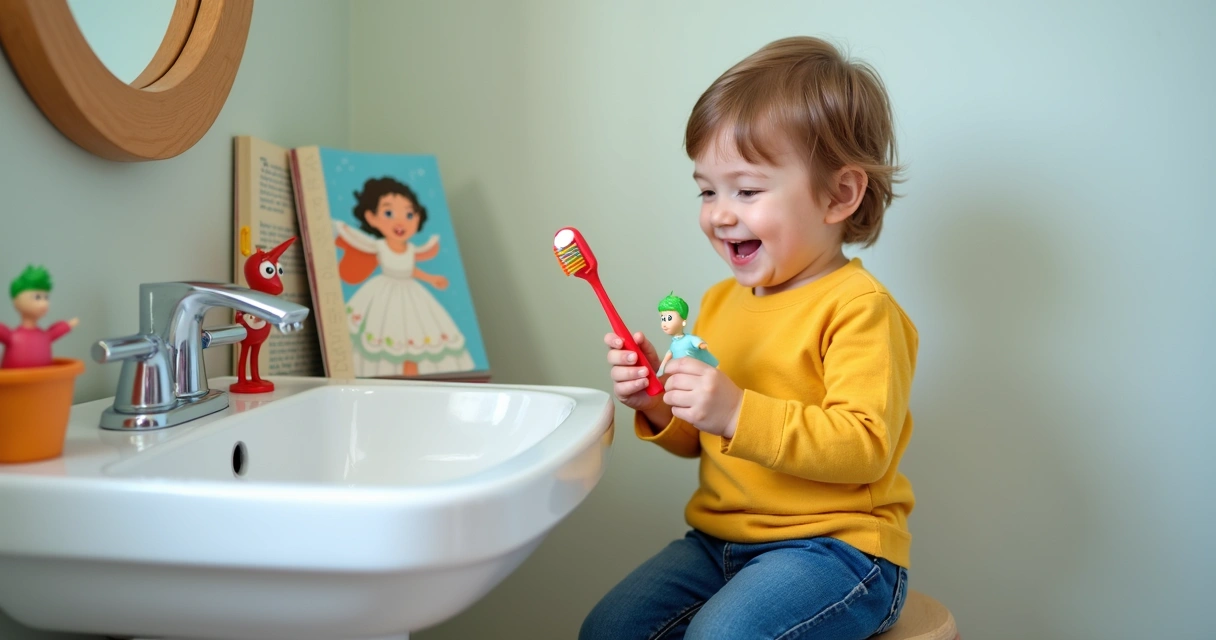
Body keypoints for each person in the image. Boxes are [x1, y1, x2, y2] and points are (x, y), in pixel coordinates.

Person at [583, 36, 918, 640]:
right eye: (707, 190)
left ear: (839, 194)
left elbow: (864, 446)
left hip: (837, 552)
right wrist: (660, 402)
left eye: (746, 189)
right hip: (719, 543)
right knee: (609, 628)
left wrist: (737, 410)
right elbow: (703, 440)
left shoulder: (859, 309)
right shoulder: (718, 302)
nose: (719, 213)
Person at [333, 176, 474, 376]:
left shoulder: (411, 249)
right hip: (382, 295)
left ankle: (412, 376)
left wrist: (431, 279)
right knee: (380, 334)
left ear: (418, 218)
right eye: (388, 212)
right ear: (371, 217)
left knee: (415, 336)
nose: (400, 221)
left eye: (409, 214)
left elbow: (411, 270)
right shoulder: (379, 246)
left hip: (413, 295)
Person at [0, 265, 78, 369]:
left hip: (44, 382)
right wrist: (68, 325)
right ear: (16, 301)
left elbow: (54, 332)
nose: (44, 303)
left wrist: (67, 325)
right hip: (14, 383)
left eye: (46, 297)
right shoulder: (12, 337)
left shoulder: (45, 336)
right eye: (37, 297)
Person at [655, 292, 717, 377]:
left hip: (696, 373)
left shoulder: (688, 339)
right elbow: (667, 357)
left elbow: (696, 342)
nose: (664, 324)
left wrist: (701, 344)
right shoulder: (674, 344)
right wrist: (660, 370)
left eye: (669, 318)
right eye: (663, 319)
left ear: (683, 321)